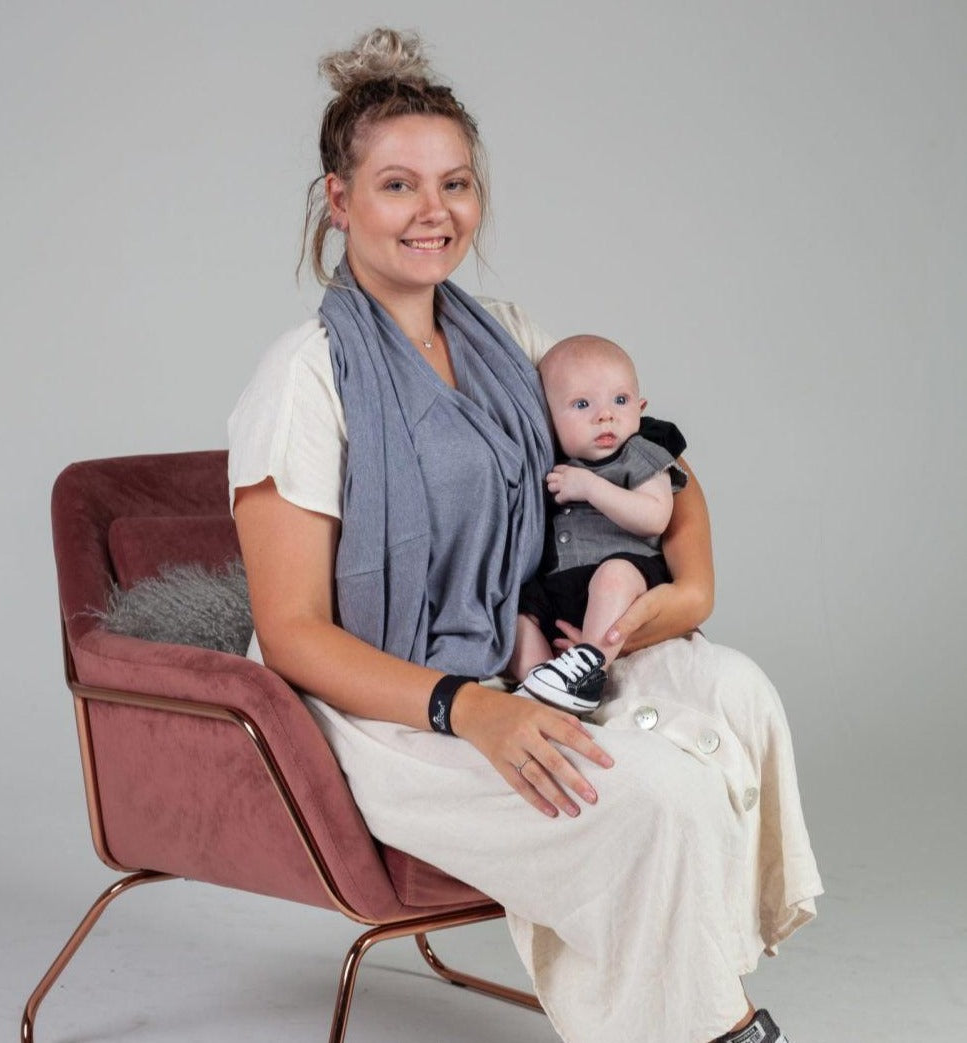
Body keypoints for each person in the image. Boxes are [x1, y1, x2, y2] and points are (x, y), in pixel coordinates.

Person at [229, 27, 821, 1043]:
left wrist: (687, 593)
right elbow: (291, 634)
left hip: (529, 644)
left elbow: (654, 463)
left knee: (736, 691)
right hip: (392, 701)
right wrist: (473, 711)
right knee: (653, 796)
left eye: (454, 183)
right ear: (339, 200)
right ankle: (705, 1027)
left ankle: (685, 983)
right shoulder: (305, 377)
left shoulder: (508, 338)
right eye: (398, 185)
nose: (433, 212)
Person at [510, 334, 689, 715]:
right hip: (561, 587)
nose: (605, 415)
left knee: (613, 577)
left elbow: (654, 516)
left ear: (641, 408)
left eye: (620, 401)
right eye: (581, 404)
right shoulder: (553, 465)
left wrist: (592, 488)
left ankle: (587, 669)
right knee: (517, 616)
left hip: (627, 578)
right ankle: (540, 683)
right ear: (550, 421)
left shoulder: (639, 454)